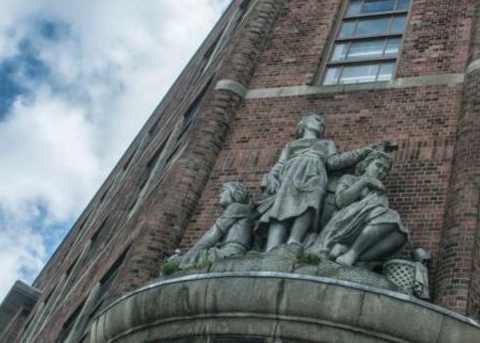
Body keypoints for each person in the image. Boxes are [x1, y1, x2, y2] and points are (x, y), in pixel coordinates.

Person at [257, 113, 382, 251]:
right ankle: (271, 247)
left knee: (310, 205)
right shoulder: (291, 145)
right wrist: (273, 177)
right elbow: (280, 164)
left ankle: (294, 240)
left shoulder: (327, 144)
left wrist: (364, 151)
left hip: (315, 175)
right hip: (290, 175)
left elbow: (335, 162)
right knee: (282, 208)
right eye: (317, 120)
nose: (321, 124)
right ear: (303, 123)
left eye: (322, 123)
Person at [312, 148, 408, 267]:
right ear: (366, 164)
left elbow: (382, 222)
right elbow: (341, 202)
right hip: (343, 222)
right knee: (391, 216)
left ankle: (350, 253)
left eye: (385, 170)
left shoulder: (379, 192)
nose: (380, 171)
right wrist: (365, 182)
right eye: (378, 165)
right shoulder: (350, 179)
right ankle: (350, 253)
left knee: (400, 235)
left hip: (365, 227)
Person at [167, 182, 252, 267]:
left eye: (223, 191)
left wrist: (189, 255)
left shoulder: (236, 207)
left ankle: (178, 263)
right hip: (226, 250)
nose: (219, 195)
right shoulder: (240, 208)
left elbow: (214, 233)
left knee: (194, 259)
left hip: (230, 252)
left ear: (232, 192)